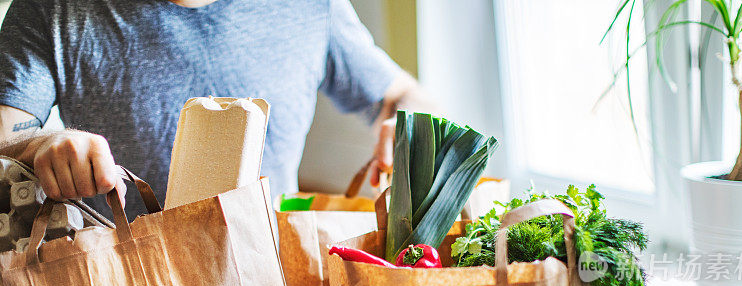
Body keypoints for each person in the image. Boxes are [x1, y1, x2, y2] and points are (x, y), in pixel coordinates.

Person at [0, 0, 430, 215]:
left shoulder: (312, 7)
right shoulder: (52, 9)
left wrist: (406, 123)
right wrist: (44, 143)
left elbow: (405, 95)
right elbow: (5, 132)